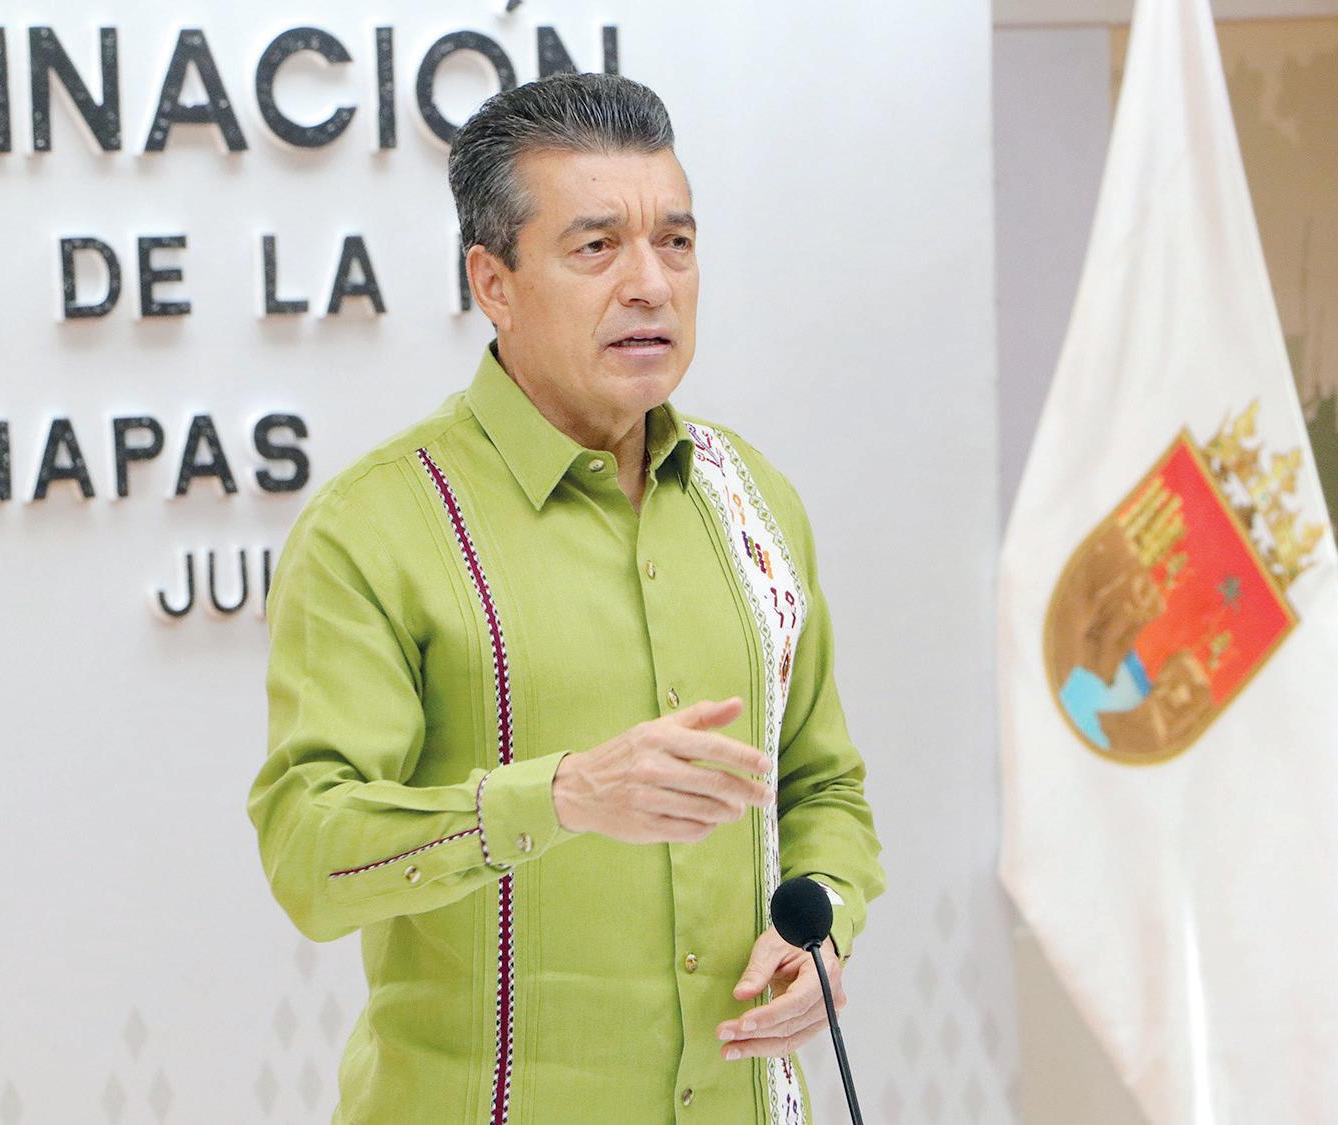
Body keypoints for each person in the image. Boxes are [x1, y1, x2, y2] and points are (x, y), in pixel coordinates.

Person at [247, 71, 884, 1124]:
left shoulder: (754, 503)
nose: (650, 285)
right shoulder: (374, 527)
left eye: (675, 242)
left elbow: (821, 787)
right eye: (596, 247)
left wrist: (824, 921)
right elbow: (310, 853)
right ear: (492, 282)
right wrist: (557, 799)